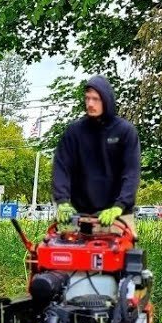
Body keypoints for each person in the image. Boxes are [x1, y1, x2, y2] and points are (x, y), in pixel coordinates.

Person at [53, 76, 140, 233]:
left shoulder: (125, 132)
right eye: (87, 99)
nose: (90, 104)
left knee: (122, 256)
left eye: (95, 99)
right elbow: (61, 167)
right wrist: (62, 201)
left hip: (117, 217)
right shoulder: (74, 132)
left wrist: (119, 205)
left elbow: (131, 173)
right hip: (79, 216)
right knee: (62, 253)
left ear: (106, 100)